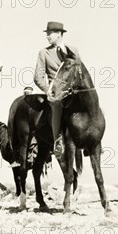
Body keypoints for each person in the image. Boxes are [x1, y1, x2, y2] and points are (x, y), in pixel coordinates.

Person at [34, 21, 80, 158]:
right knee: (56, 106)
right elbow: (38, 77)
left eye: (50, 33)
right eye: (47, 34)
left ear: (59, 34)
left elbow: (80, 72)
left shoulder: (73, 51)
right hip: (56, 92)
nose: (47, 36)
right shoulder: (44, 53)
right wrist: (48, 90)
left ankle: (93, 141)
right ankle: (57, 141)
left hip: (73, 91)